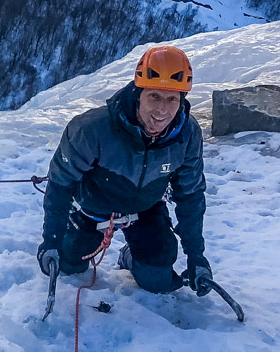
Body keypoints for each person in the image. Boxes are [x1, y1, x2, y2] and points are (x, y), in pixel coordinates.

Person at [36, 46, 214, 296]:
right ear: (138, 93)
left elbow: (190, 194)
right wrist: (51, 241)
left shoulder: (187, 134)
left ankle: (131, 256)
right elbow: (60, 183)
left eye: (172, 99)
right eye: (154, 96)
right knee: (68, 263)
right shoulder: (92, 129)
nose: (162, 111)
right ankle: (75, 239)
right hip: (92, 208)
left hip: (145, 208)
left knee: (158, 281)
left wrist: (196, 257)